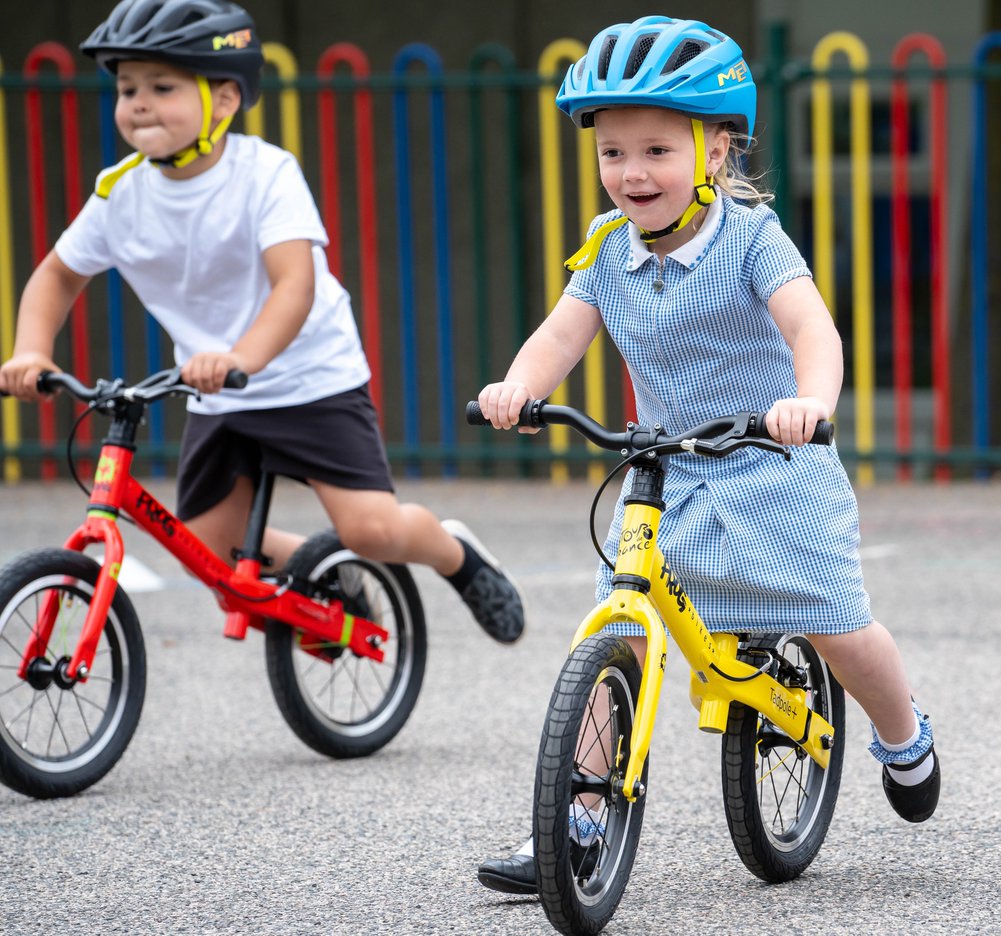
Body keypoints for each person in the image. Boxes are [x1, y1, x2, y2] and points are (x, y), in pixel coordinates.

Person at [474, 15, 938, 894]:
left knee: (837, 622)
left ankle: (902, 731)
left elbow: (813, 328)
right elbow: (560, 336)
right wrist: (516, 387)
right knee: (621, 627)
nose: (632, 173)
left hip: (775, 461)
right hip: (669, 467)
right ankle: (573, 823)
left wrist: (810, 402)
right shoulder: (607, 250)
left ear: (716, 153)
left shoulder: (751, 239)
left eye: (656, 149)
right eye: (613, 153)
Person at [0, 0, 524, 644]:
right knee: (205, 549)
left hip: (309, 377)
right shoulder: (118, 193)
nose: (137, 103)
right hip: (217, 390)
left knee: (372, 531)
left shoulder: (264, 174)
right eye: (127, 87)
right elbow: (57, 274)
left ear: (223, 100)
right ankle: (324, 573)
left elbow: (294, 287)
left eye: (162, 87)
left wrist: (242, 356)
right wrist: (31, 351)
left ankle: (455, 553)